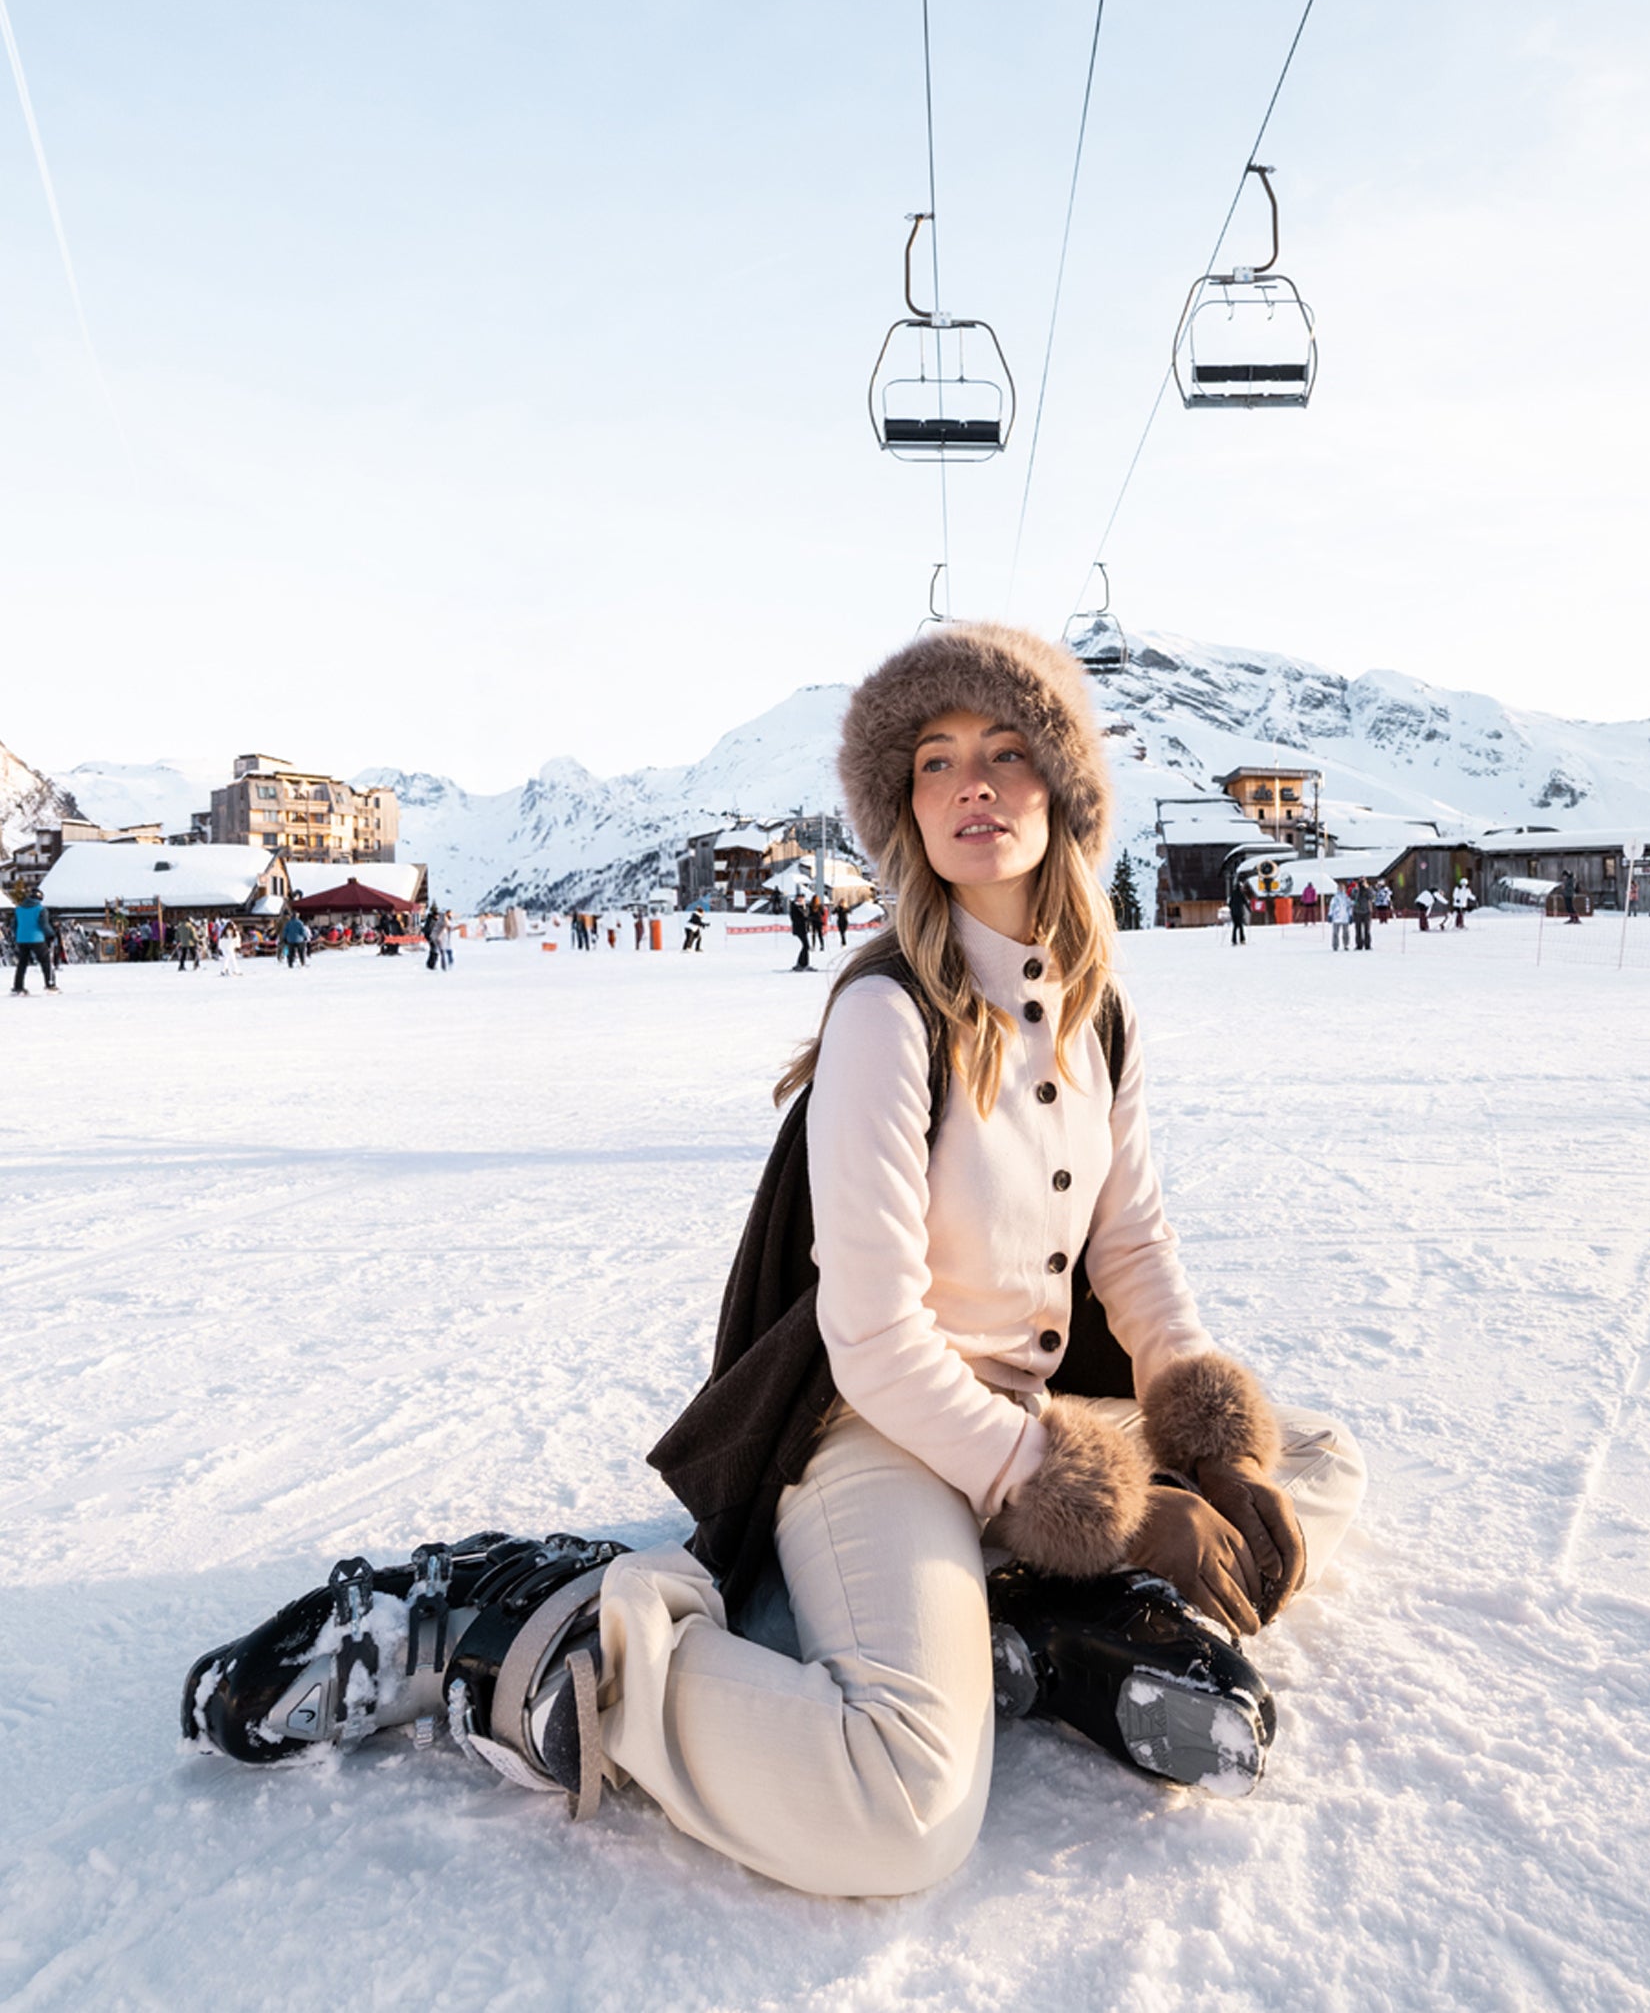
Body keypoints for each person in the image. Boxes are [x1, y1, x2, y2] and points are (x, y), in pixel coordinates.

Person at [183, 622, 1365, 1899]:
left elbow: (1130, 1247)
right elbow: (873, 1342)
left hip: (1025, 1420)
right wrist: (1110, 1502)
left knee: (1316, 1463)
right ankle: (531, 1634)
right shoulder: (889, 1011)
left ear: (1065, 788)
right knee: (900, 1814)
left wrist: (1211, 1442)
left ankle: (1026, 1616)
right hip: (877, 1428)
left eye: (1007, 749)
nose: (971, 781)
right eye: (935, 759)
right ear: (905, 808)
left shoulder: (1099, 1013)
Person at [8, 888, 59, 995]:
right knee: (46, 961)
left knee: (22, 963)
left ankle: (18, 987)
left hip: (21, 939)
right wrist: (51, 935)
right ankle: (50, 985)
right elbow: (44, 925)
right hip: (37, 939)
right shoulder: (41, 909)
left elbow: (13, 925)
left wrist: (18, 935)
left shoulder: (19, 909)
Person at [788, 893, 812, 973]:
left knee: (806, 946)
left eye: (802, 898)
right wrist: (804, 919)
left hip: (805, 929)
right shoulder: (795, 907)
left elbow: (809, 914)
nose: (801, 900)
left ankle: (804, 963)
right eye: (799, 898)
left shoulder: (805, 906)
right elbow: (795, 918)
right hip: (799, 929)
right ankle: (801, 964)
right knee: (806, 946)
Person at [1327, 884, 1354, 952]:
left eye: (1342, 888)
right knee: (1335, 932)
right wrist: (1330, 915)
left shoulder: (1346, 898)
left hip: (1345, 917)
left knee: (1346, 932)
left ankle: (1346, 945)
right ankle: (1335, 945)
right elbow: (1331, 907)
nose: (1341, 889)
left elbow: (1349, 907)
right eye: (1340, 888)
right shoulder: (1335, 898)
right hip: (1336, 917)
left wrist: (1350, 915)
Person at [1227, 875, 1249, 945]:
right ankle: (1242, 939)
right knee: (1240, 926)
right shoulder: (1241, 894)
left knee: (1235, 926)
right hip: (1239, 912)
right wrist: (1249, 909)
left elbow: (1229, 903)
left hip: (1233, 913)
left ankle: (1234, 940)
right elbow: (1245, 902)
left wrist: (1231, 909)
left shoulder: (1233, 894)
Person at [1352, 880, 1373, 951]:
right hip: (1357, 912)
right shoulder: (1355, 891)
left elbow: (1371, 897)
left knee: (1367, 930)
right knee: (1358, 930)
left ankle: (1367, 945)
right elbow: (1352, 897)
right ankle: (1359, 945)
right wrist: (1356, 889)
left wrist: (1367, 888)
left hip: (1366, 912)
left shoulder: (1367, 890)